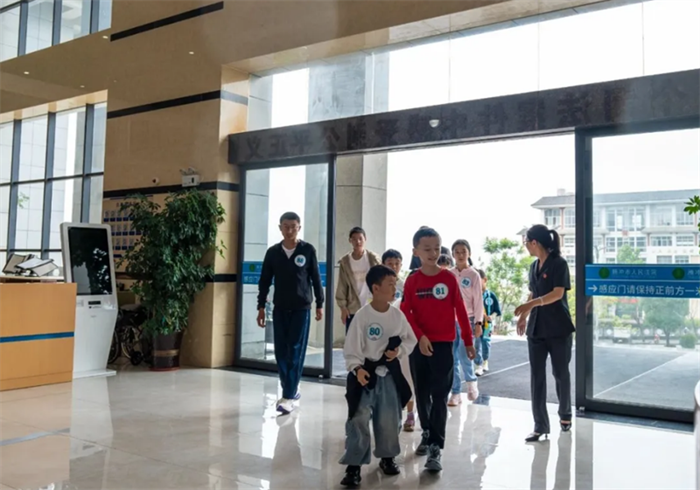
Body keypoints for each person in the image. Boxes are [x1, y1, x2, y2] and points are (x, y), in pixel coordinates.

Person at [401, 227, 476, 472]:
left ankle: (435, 446)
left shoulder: (449, 279)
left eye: (436, 248)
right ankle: (426, 432)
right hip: (419, 344)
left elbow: (460, 311)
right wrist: (420, 336)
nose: (433, 253)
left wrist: (468, 341)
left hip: (443, 345)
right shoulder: (413, 281)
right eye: (427, 249)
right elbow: (406, 312)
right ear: (416, 252)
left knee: (440, 395)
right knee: (422, 394)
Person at [340, 265, 417, 486]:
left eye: (395, 284)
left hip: (389, 376)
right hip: (364, 374)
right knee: (358, 419)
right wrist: (357, 369)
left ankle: (387, 457)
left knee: (389, 418)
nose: (394, 289)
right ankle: (354, 465)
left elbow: (410, 339)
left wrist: (398, 351)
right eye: (390, 285)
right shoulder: (362, 316)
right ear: (375, 288)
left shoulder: (397, 316)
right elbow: (351, 348)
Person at [257, 212, 324, 415]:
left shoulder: (307, 250)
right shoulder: (273, 252)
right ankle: (291, 389)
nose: (289, 230)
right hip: (280, 308)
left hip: (301, 308)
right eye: (286, 226)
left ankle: (287, 395)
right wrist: (261, 307)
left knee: (295, 350)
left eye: (293, 226)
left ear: (299, 228)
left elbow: (316, 278)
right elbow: (264, 280)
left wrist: (320, 304)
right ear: (280, 228)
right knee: (281, 352)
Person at [514, 224, 575, 442]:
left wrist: (531, 304)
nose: (525, 246)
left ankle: (565, 414)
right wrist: (524, 316)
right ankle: (540, 425)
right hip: (537, 329)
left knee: (560, 373)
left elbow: (557, 294)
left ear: (534, 242)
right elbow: (533, 292)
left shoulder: (559, 263)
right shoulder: (533, 266)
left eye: (526, 242)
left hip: (558, 328)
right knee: (537, 377)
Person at [382, 248, 416, 432]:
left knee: (406, 374)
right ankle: (388, 413)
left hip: (401, 337)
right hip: (380, 336)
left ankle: (411, 413)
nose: (394, 267)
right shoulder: (375, 284)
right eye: (390, 263)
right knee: (385, 377)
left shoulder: (406, 285)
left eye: (397, 264)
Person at [449, 239, 484, 406]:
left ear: (469, 253)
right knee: (452, 357)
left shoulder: (473, 275)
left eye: (463, 251)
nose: (460, 255)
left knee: (465, 354)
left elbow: (478, 301)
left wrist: (478, 322)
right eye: (457, 252)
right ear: (452, 254)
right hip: (450, 321)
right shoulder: (449, 274)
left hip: (468, 320)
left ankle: (471, 382)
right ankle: (455, 392)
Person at [336, 227, 381, 332]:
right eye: (354, 239)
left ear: (365, 239)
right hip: (353, 307)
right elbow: (342, 285)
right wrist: (343, 307)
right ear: (350, 240)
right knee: (353, 338)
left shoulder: (373, 258)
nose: (358, 242)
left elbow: (381, 280)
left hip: (372, 305)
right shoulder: (345, 262)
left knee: (373, 338)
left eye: (360, 238)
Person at [478, 268, 501, 373]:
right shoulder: (474, 295)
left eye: (478, 280)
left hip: (487, 324)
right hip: (476, 323)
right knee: (476, 343)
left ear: (485, 280)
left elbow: (497, 311)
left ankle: (485, 361)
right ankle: (478, 364)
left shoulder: (491, 295)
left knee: (486, 342)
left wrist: (491, 316)